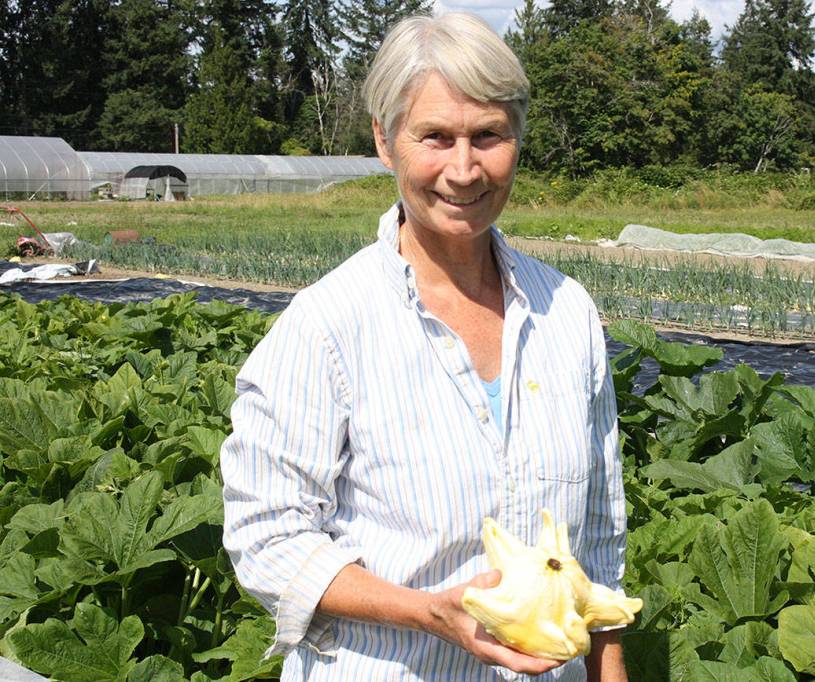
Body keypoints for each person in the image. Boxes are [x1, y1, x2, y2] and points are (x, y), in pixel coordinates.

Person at [221, 12, 628, 681]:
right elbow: (267, 538)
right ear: (385, 141)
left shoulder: (568, 315)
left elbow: (600, 536)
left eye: (488, 135)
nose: (463, 170)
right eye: (435, 137)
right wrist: (428, 612)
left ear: (518, 138)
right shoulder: (328, 326)